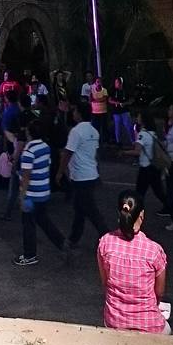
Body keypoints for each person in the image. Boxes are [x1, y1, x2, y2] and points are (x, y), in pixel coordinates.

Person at [98, 190, 169, 334]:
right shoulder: (154, 250)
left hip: (114, 321)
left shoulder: (105, 243)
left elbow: (105, 282)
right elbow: (159, 292)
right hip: (148, 324)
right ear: (141, 215)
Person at [14, 119, 66, 267]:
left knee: (28, 224)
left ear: (29, 132)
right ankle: (61, 242)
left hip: (31, 193)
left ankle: (30, 254)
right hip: (43, 191)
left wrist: (22, 195)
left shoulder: (29, 150)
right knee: (43, 220)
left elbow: (26, 175)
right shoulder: (45, 146)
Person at [56, 103, 107, 247]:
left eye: (75, 110)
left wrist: (60, 172)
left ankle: (106, 237)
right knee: (80, 208)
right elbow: (94, 154)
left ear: (79, 113)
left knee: (90, 210)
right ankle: (74, 238)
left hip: (80, 176)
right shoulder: (94, 131)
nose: (73, 113)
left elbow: (68, 153)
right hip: (90, 174)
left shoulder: (76, 132)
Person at [133, 109, 173, 221]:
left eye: (138, 116)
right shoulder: (153, 134)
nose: (137, 118)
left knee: (139, 193)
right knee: (159, 192)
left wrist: (123, 152)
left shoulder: (142, 134)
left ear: (143, 119)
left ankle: (134, 217)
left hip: (145, 167)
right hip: (154, 167)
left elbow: (137, 151)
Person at [109, 76, 133, 146]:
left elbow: (131, 100)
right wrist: (116, 103)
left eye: (117, 82)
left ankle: (133, 141)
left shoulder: (126, 90)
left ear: (121, 83)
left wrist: (125, 103)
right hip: (116, 112)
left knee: (128, 126)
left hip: (125, 111)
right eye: (115, 82)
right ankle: (118, 142)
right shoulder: (113, 90)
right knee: (117, 127)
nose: (115, 84)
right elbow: (109, 100)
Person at [90, 76, 109, 141]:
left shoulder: (105, 90)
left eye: (100, 82)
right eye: (97, 82)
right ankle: (96, 140)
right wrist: (99, 99)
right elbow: (91, 99)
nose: (99, 83)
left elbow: (105, 99)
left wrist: (96, 100)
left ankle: (105, 141)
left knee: (104, 127)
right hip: (95, 112)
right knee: (96, 127)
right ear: (95, 82)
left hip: (103, 111)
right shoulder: (92, 90)